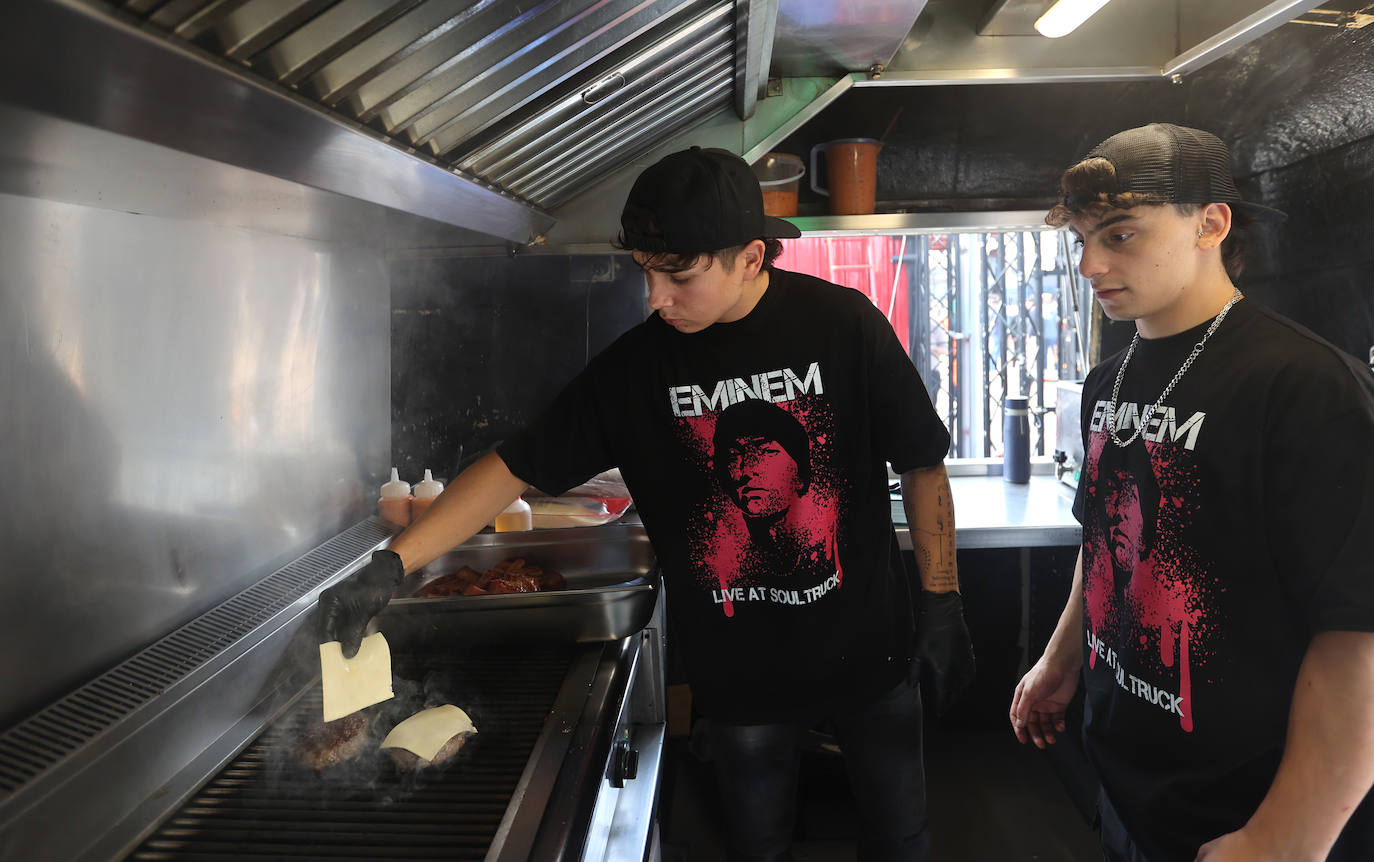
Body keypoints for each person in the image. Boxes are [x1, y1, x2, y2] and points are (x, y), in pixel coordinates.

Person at [321, 146, 976, 861]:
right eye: (646, 271)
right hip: (740, 677)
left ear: (751, 257)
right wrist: (389, 566)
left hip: (869, 656)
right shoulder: (637, 369)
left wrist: (941, 603)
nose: (657, 297)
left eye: (679, 275)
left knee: (900, 840)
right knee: (757, 849)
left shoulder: (843, 325)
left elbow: (922, 463)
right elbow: (512, 467)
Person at [1008, 123, 1374, 862]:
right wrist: (1061, 658)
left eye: (1120, 234)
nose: (1090, 264)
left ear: (1211, 224)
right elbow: (1103, 542)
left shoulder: (1306, 388)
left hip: (1245, 809)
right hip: (1128, 781)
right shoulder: (1107, 382)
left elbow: (1358, 634)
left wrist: (1284, 838)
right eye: (1081, 239)